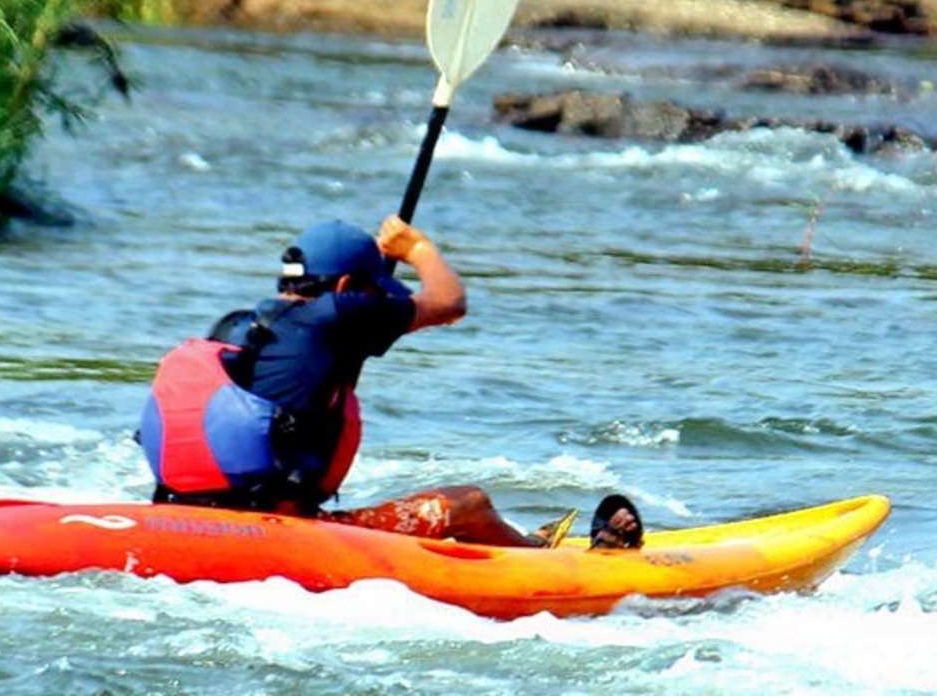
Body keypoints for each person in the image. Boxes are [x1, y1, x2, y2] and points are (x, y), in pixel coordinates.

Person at [138, 215, 642, 549]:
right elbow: (449, 302)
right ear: (345, 288)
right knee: (468, 505)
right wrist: (418, 248)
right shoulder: (337, 313)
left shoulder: (244, 325)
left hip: (191, 513)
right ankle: (543, 560)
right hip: (277, 527)